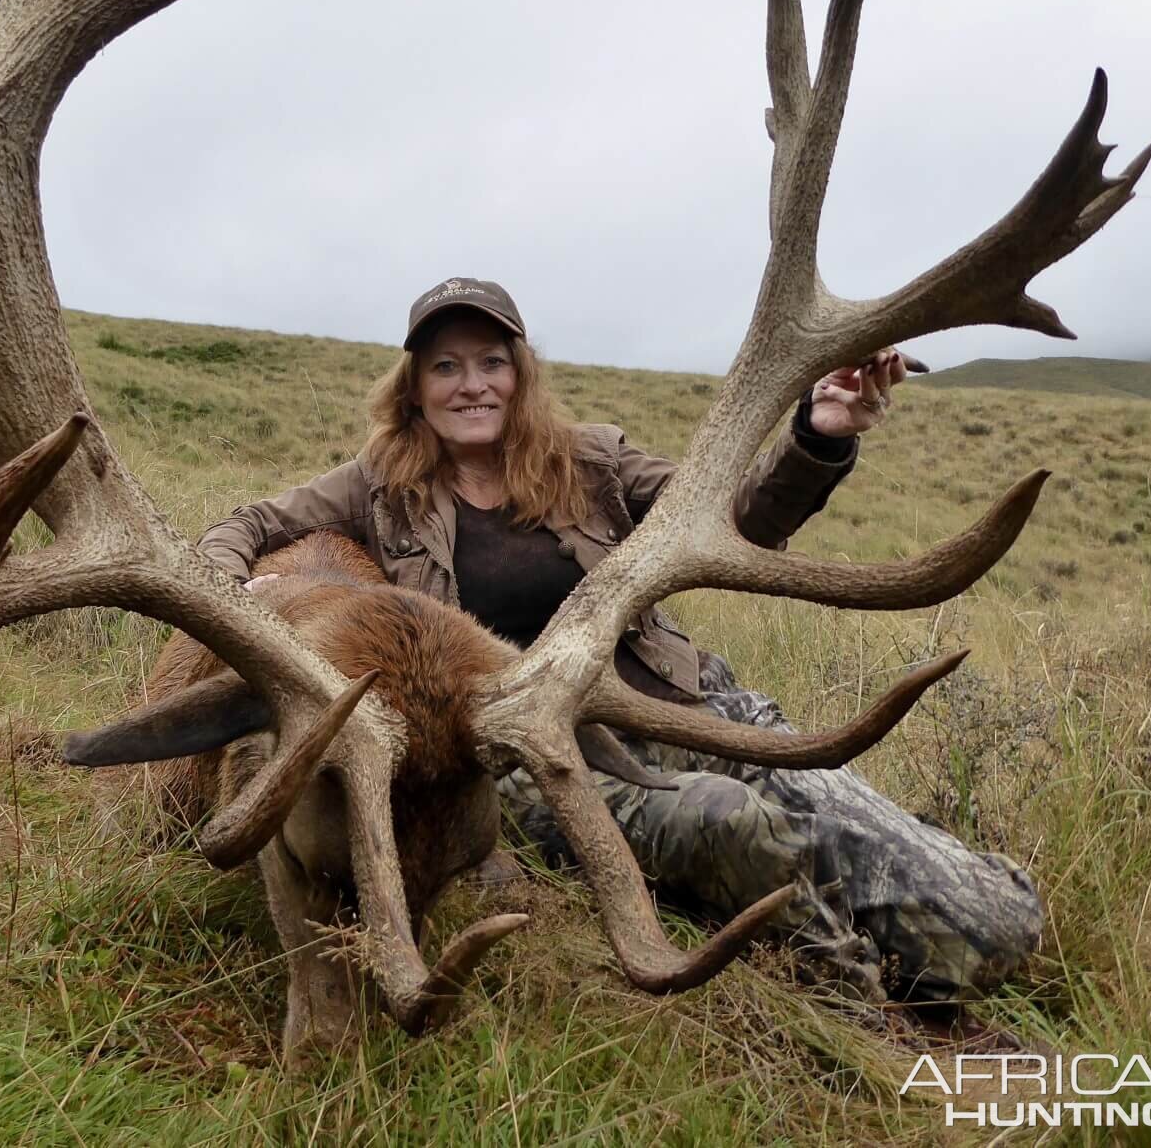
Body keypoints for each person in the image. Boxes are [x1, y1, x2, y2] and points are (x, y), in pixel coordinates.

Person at [196, 277, 1042, 1016]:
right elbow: (247, 525)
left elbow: (735, 512)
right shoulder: (377, 487)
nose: (471, 384)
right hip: (541, 754)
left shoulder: (592, 461)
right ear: (414, 388)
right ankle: (855, 1002)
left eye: (490, 361)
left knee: (993, 931)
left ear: (519, 375)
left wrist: (819, 434)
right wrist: (236, 591)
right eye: (445, 366)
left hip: (688, 706)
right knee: (729, 824)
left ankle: (913, 912)